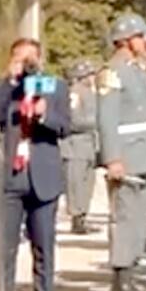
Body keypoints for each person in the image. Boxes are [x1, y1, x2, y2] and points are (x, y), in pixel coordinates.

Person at [0, 38, 69, 291]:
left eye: (30, 59)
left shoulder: (55, 86)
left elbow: (65, 126)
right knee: (5, 245)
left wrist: (44, 114)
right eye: (20, 58)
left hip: (43, 174)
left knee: (44, 245)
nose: (26, 64)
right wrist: (10, 81)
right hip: (11, 175)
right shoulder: (4, 88)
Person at [96, 13, 146, 291]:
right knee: (125, 217)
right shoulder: (112, 72)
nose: (145, 41)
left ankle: (133, 273)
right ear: (126, 41)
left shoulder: (139, 70)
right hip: (127, 155)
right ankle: (120, 279)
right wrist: (112, 157)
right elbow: (107, 118)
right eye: (140, 36)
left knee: (142, 217)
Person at [62, 61, 101, 235]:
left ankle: (83, 215)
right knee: (76, 184)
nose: (93, 77)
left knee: (87, 184)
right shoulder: (75, 93)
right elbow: (73, 120)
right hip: (76, 145)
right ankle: (77, 218)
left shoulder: (93, 93)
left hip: (89, 145)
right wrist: (96, 124)